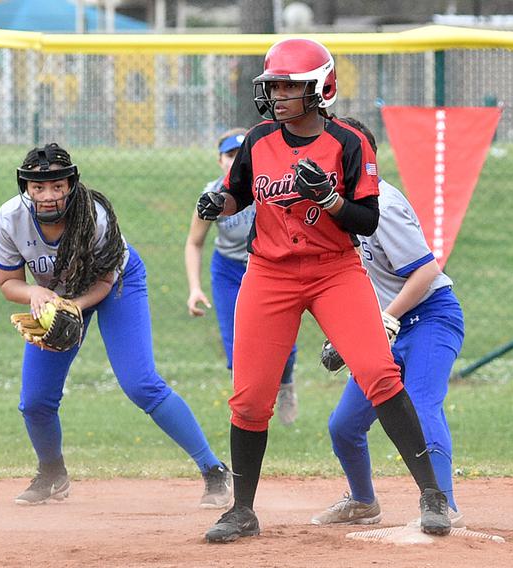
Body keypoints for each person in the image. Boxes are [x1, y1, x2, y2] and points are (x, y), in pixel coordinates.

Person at [194, 38, 452, 543]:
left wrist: (329, 198)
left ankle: (432, 495)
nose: (278, 94)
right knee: (249, 399)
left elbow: (367, 217)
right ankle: (242, 511)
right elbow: (239, 194)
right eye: (274, 85)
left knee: (380, 373)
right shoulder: (259, 138)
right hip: (270, 273)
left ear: (321, 89)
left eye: (290, 85)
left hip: (334, 269)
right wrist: (216, 204)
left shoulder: (350, 141)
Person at [0, 143, 232, 508]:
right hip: (58, 296)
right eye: (38, 186)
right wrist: (35, 293)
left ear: (71, 185)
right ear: (24, 187)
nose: (48, 195)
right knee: (35, 401)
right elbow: (8, 282)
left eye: (57, 185)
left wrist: (73, 306)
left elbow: (105, 281)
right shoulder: (10, 219)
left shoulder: (94, 216)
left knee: (141, 384)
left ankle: (214, 470)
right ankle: (52, 474)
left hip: (116, 284)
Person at [310, 117, 466, 529]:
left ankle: (443, 505)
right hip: (382, 324)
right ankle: (363, 502)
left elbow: (427, 271)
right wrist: (345, 334)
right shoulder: (333, 207)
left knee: (419, 402)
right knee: (344, 426)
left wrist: (387, 318)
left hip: (430, 316)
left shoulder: (386, 205)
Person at [184, 128, 299, 426]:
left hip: (271, 267)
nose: (235, 161)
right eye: (229, 155)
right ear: (219, 160)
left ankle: (285, 386)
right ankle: (248, 412)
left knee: (282, 347)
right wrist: (194, 288)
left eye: (240, 154)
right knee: (236, 346)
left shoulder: (273, 185)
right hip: (229, 270)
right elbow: (194, 243)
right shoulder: (212, 195)